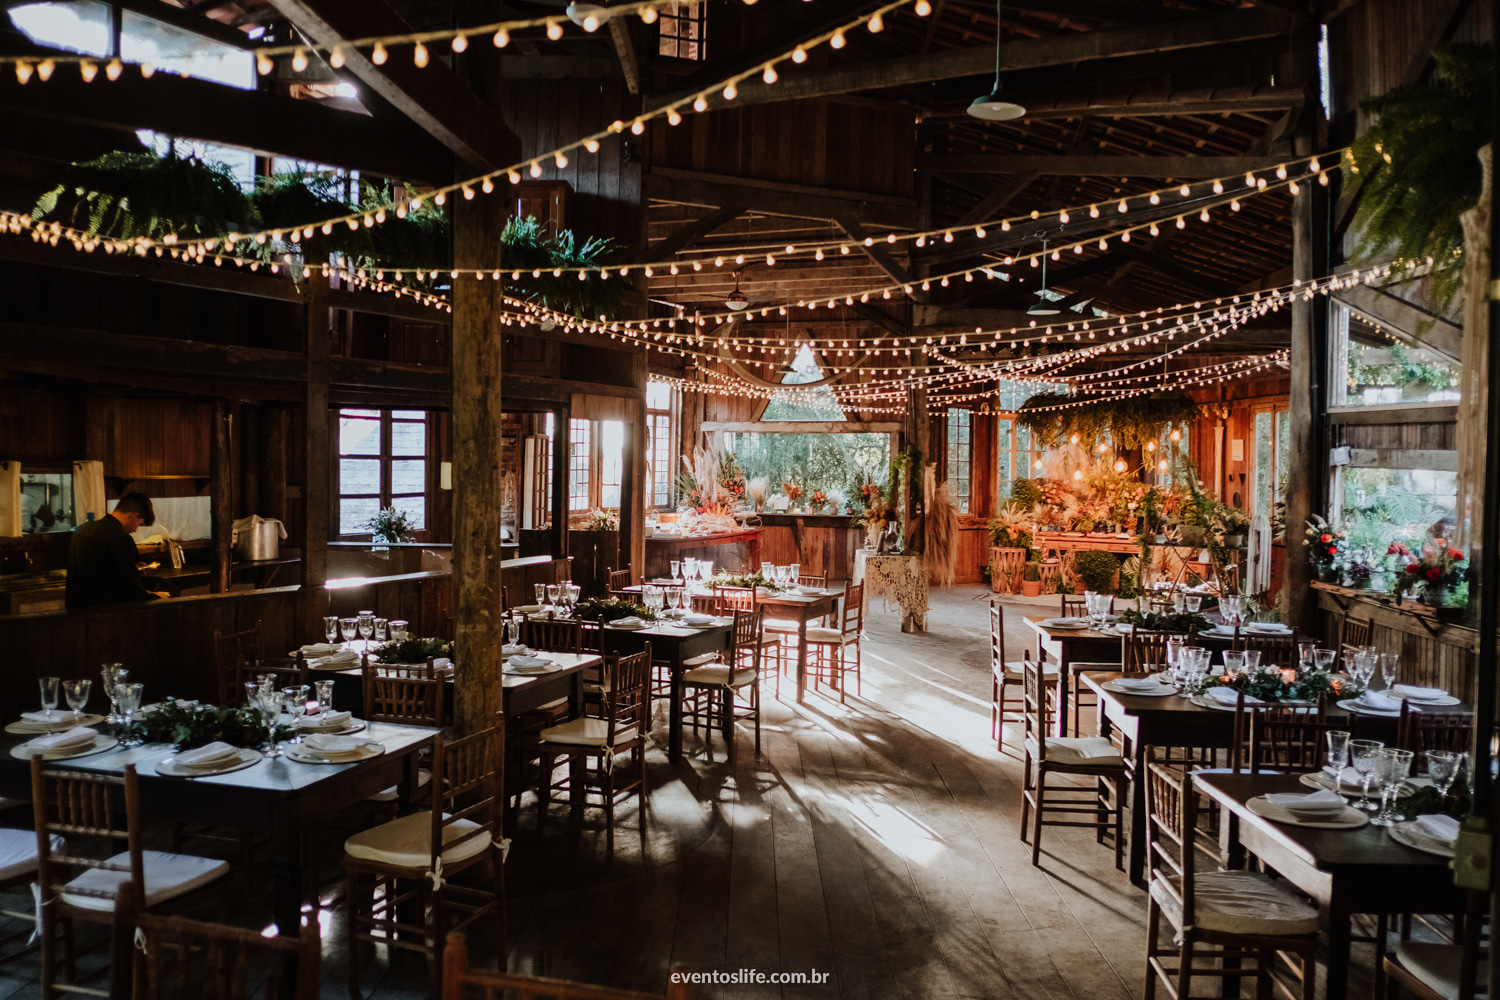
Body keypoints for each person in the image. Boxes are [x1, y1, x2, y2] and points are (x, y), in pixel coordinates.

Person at [65, 493, 170, 607]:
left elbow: (99, 569)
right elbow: (130, 587)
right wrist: (155, 596)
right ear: (133, 515)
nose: (135, 530)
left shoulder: (82, 530)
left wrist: (131, 566)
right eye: (139, 524)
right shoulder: (120, 538)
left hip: (75, 607)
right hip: (103, 610)